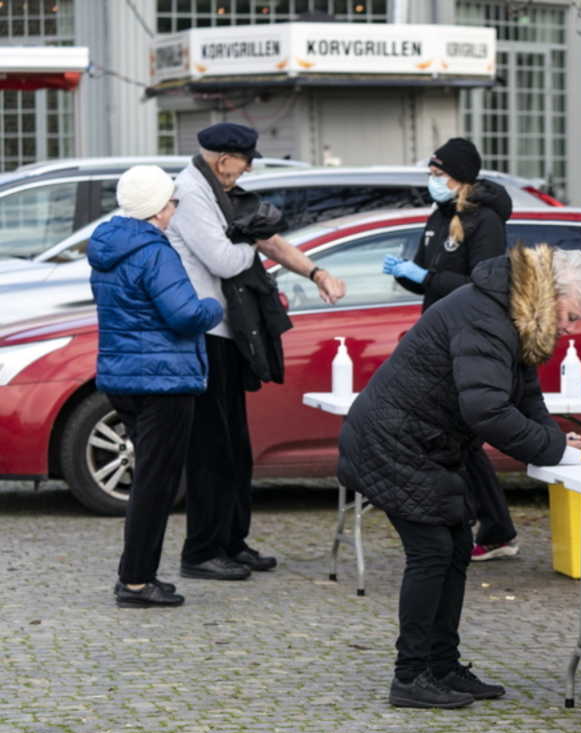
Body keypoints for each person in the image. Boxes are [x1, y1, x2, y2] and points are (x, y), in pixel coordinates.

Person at [339, 244, 581, 709]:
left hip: (426, 443)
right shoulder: (489, 315)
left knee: (456, 546)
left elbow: (526, 396)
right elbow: (487, 411)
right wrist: (555, 448)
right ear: (552, 293)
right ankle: (411, 675)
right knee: (433, 551)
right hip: (394, 440)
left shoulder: (517, 313)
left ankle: (441, 665)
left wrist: (556, 441)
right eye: (572, 315)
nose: (570, 328)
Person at [169, 122, 346, 581]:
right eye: (245, 161)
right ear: (224, 159)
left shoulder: (221, 189)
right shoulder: (191, 194)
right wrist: (249, 235)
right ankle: (201, 552)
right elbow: (226, 259)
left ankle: (231, 540)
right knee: (211, 450)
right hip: (203, 335)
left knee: (236, 448)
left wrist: (316, 272)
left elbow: (265, 239)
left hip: (227, 335)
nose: (246, 170)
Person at [88, 166, 224, 608]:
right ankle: (135, 580)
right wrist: (211, 307)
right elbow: (183, 314)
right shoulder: (155, 252)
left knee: (149, 476)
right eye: (170, 202)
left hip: (125, 377)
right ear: (156, 208)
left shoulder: (109, 248)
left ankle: (137, 574)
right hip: (163, 380)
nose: (173, 209)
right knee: (155, 483)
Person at [382, 137, 521, 565]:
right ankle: (489, 525)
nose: (432, 182)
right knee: (456, 435)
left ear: (459, 177)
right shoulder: (441, 214)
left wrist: (425, 277)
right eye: (430, 174)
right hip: (437, 332)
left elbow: (485, 285)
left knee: (462, 436)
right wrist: (406, 275)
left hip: (469, 334)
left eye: (438, 175)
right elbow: (432, 274)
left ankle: (494, 527)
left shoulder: (485, 220)